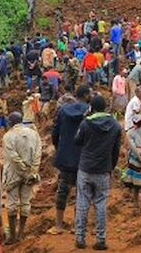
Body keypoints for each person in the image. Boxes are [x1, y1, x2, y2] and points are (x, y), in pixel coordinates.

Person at [74, 94, 121, 250]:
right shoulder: (114, 125)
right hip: (103, 169)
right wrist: (111, 167)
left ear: (91, 108)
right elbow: (116, 150)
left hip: (86, 168)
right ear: (105, 107)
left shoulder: (86, 124)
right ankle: (101, 239)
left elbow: (77, 141)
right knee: (101, 204)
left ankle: (80, 238)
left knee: (82, 203)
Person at [49, 85, 91, 235]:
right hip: (84, 157)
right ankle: (77, 225)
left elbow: (55, 132)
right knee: (82, 192)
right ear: (86, 96)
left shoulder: (63, 110)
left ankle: (59, 225)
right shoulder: (90, 111)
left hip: (65, 156)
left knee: (63, 190)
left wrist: (58, 148)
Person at [2, 112, 42, 244]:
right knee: (26, 202)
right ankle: (21, 233)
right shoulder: (34, 134)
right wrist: (32, 171)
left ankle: (12, 236)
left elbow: (12, 157)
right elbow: (38, 154)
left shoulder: (8, 136)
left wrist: (23, 171)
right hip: (30, 174)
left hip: (13, 174)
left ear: (10, 122)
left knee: (12, 204)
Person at [124, 116, 141, 212]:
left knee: (136, 183)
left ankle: (136, 202)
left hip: (135, 158)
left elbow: (132, 147)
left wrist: (139, 157)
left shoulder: (130, 133)